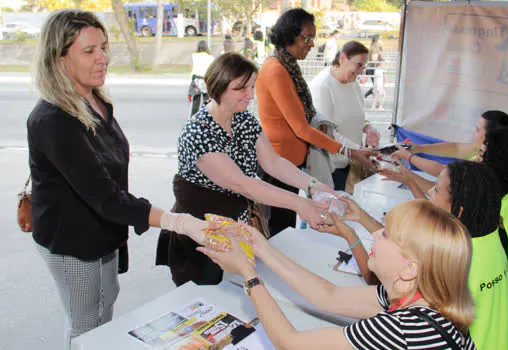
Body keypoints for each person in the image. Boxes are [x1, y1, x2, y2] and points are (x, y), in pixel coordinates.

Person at [28, 9, 214, 348]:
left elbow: (111, 183)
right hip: (73, 241)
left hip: (104, 230)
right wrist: (180, 222)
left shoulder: (95, 100)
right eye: (89, 51)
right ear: (59, 58)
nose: (104, 58)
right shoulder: (53, 120)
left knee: (105, 310)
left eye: (104, 47)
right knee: (86, 326)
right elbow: (107, 197)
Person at [198, 200, 477, 349]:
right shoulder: (417, 295)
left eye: (386, 234)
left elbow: (290, 343)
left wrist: (248, 273)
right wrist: (262, 248)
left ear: (410, 268)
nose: (376, 234)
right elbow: (329, 296)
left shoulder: (402, 330)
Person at [156, 53, 333, 287]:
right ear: (218, 87)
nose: (250, 95)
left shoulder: (244, 120)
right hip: (202, 234)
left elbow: (273, 162)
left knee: (243, 291)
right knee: (209, 299)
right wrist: (300, 203)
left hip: (237, 228)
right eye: (241, 89)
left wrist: (312, 185)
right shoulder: (197, 133)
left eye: (252, 87)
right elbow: (244, 184)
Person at [325, 161, 508, 349]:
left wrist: (350, 235)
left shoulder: (455, 264)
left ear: (457, 211)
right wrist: (361, 217)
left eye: (435, 189)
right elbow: (408, 244)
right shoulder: (492, 236)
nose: (428, 192)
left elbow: (381, 277)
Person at [393, 111, 508, 308]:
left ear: (489, 142)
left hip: (505, 292)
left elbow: (443, 213)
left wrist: (410, 166)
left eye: (477, 130)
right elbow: (448, 187)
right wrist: (412, 172)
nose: (473, 137)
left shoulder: (488, 198)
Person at [256, 8, 376, 235]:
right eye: (306, 38)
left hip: (290, 164)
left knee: (286, 225)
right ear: (289, 35)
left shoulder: (288, 65)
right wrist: (349, 151)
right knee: (278, 230)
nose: (311, 44)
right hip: (278, 166)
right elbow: (301, 128)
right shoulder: (276, 70)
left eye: (313, 38)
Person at [310, 41, 380, 191]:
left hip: (351, 163)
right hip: (331, 168)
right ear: (342, 58)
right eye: (359, 65)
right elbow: (324, 131)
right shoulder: (322, 86)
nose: (361, 70)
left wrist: (368, 128)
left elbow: (358, 115)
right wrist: (356, 151)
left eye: (364, 66)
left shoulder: (352, 81)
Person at [189, 40, 214, 116]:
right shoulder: (210, 57)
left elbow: (191, 67)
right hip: (206, 79)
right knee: (207, 100)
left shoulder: (194, 56)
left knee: (195, 100)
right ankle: (207, 117)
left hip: (196, 79)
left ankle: (193, 117)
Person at [364, 34, 383, 99]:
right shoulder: (375, 48)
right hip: (372, 68)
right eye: (380, 39)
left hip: (372, 68)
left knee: (376, 86)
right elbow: (374, 59)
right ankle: (367, 95)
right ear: (377, 40)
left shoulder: (374, 47)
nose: (381, 41)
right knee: (376, 86)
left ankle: (374, 103)